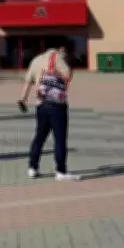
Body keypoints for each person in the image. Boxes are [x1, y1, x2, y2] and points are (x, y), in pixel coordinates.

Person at [19, 39, 80, 181]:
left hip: (40, 104)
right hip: (56, 104)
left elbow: (28, 80)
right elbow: (68, 74)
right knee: (59, 138)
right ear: (60, 48)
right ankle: (60, 171)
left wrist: (23, 98)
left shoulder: (36, 60)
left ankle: (32, 167)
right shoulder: (57, 57)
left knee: (39, 137)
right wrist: (66, 61)